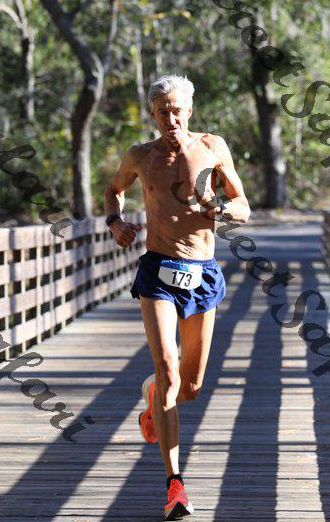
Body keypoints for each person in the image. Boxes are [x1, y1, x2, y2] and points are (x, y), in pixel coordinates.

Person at [104, 74, 250, 520]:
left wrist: (221, 208)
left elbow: (242, 204)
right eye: (163, 111)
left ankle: (153, 395)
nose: (171, 118)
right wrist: (116, 223)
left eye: (177, 110)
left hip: (202, 273)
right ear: (153, 113)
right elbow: (114, 190)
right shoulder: (140, 156)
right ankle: (175, 486)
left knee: (190, 387)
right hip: (158, 273)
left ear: (190, 110)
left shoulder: (212, 147)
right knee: (167, 367)